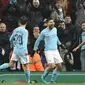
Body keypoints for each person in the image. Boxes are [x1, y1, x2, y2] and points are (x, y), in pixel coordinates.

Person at [31, 18, 67, 83]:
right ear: (47, 24)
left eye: (53, 22)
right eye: (50, 22)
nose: (52, 23)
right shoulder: (43, 32)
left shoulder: (55, 29)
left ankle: (52, 81)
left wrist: (60, 44)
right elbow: (38, 41)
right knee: (52, 66)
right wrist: (34, 49)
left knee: (59, 66)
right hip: (48, 51)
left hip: (55, 50)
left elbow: (56, 37)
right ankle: (43, 76)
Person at [0, 16, 30, 83]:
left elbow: (11, 39)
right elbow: (25, 42)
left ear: (19, 22)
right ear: (26, 23)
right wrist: (25, 51)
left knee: (11, 64)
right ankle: (28, 81)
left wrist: (14, 46)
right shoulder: (25, 31)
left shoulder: (16, 30)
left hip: (16, 50)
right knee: (26, 66)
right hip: (22, 50)